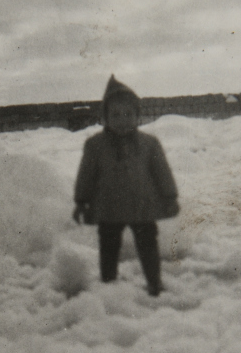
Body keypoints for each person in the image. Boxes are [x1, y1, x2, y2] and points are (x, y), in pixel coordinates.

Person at [73, 75, 179, 296]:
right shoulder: (95, 146)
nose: (123, 120)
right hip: (108, 207)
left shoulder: (149, 144)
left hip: (143, 206)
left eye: (128, 114)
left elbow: (162, 173)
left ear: (138, 117)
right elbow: (86, 176)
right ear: (105, 118)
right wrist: (81, 201)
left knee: (148, 245)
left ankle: (154, 283)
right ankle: (109, 284)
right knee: (109, 247)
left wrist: (170, 197)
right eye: (116, 115)